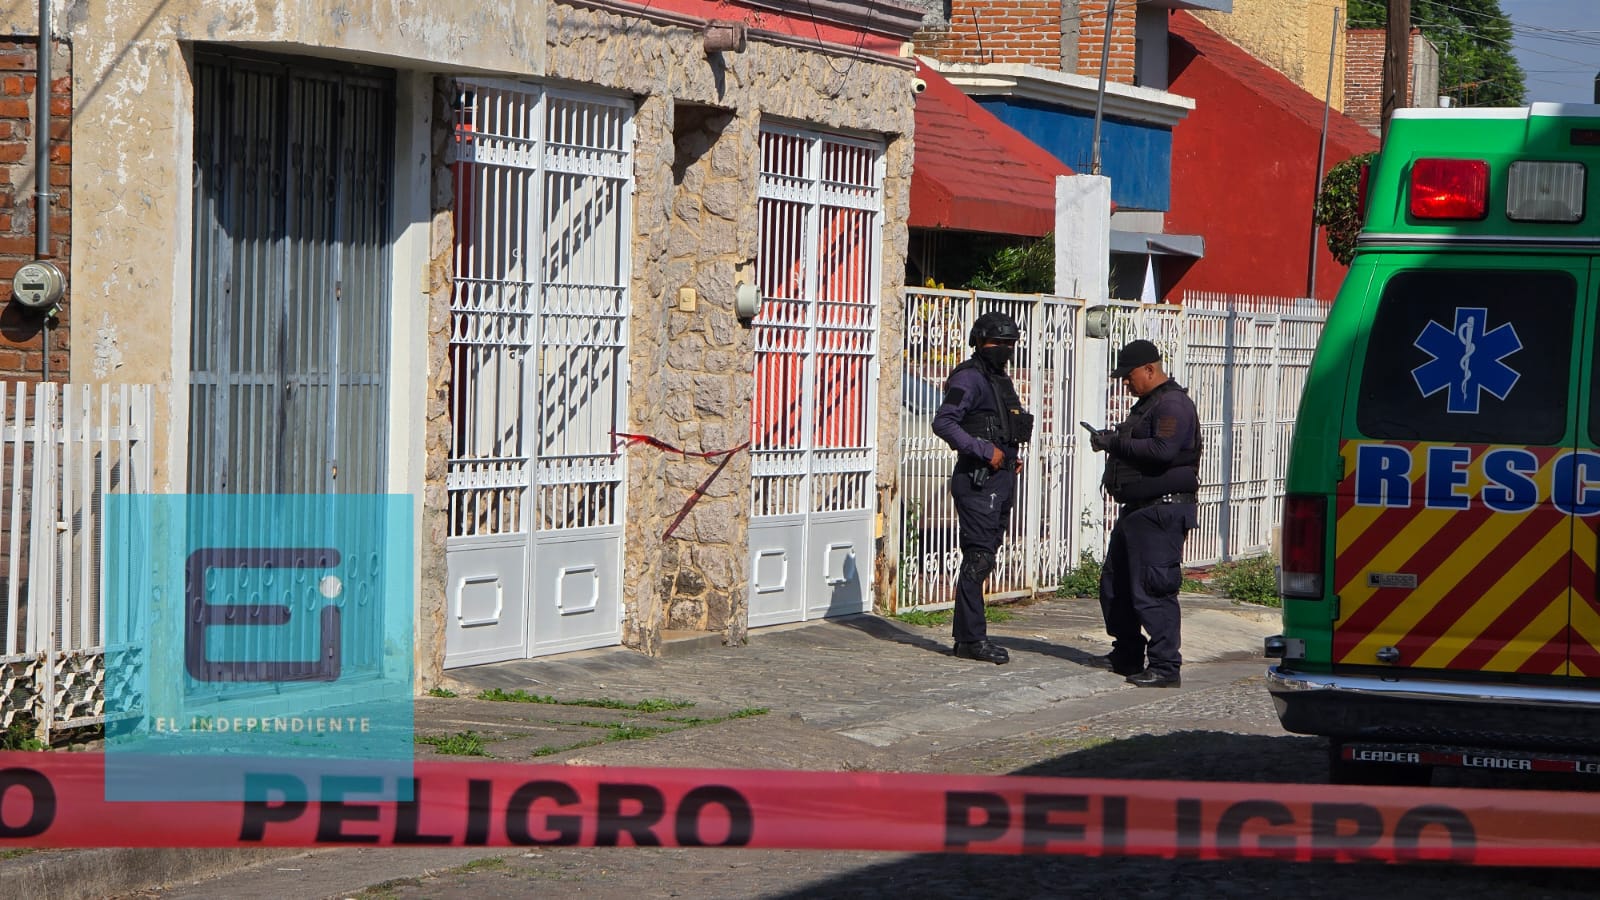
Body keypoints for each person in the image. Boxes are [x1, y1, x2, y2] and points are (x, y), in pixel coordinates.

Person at [1087, 339, 1201, 688]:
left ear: (1150, 369)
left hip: (1161, 511)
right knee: (1115, 585)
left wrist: (1114, 443)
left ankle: (1166, 666)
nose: (1125, 382)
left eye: (1129, 375)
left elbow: (1162, 450)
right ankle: (1128, 654)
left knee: (1153, 589)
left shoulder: (1172, 404)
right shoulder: (1149, 405)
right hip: (1137, 512)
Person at [931, 311, 1034, 664]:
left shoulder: (999, 379)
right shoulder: (969, 378)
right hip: (977, 481)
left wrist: (1008, 456)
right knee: (978, 559)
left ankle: (968, 637)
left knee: (985, 557)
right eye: (997, 343)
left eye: (1009, 343)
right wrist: (982, 450)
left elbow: (1003, 425)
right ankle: (971, 640)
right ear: (979, 341)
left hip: (1000, 478)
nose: (1003, 349)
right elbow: (944, 422)